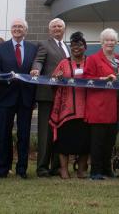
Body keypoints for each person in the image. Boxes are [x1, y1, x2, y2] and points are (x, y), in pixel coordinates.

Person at [0, 18, 39, 179]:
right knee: (3, 134)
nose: (17, 29)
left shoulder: (33, 48)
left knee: (24, 135)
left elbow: (36, 69)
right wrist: (6, 78)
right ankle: (3, 169)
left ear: (25, 30)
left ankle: (22, 170)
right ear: (11, 30)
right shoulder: (0, 49)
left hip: (26, 97)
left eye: (20, 27)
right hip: (5, 97)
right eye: (14, 27)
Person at [84, 28, 119, 180]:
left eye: (112, 40)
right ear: (102, 42)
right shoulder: (93, 59)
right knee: (98, 142)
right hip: (98, 106)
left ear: (116, 42)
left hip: (114, 106)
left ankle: (108, 170)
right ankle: (95, 171)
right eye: (107, 40)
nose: (109, 43)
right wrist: (103, 79)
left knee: (109, 142)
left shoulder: (118, 59)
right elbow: (86, 78)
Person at [49, 31, 91, 179]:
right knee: (64, 141)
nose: (76, 48)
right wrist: (57, 78)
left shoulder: (90, 62)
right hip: (66, 109)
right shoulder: (63, 63)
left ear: (85, 47)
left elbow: (96, 78)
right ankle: (64, 170)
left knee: (85, 142)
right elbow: (52, 81)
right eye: (73, 45)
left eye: (79, 45)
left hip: (86, 109)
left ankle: (81, 171)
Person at [32, 17, 69, 177]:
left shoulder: (67, 48)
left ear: (64, 29)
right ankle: (42, 167)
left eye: (60, 26)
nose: (57, 29)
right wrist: (36, 70)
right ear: (49, 29)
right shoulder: (44, 44)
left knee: (60, 133)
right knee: (45, 133)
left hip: (64, 96)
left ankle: (56, 167)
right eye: (54, 26)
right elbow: (39, 61)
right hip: (47, 95)